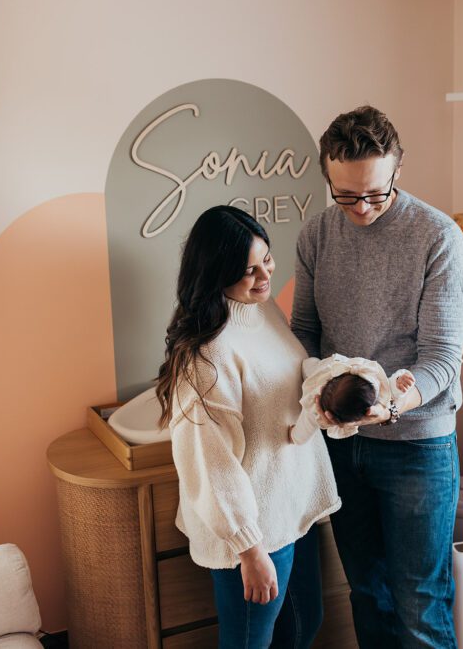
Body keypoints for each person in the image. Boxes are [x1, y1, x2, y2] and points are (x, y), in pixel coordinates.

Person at [291, 106, 463, 648]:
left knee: (420, 601)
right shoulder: (317, 236)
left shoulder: (438, 238)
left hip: (416, 446)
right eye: (346, 196)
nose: (363, 208)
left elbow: (442, 357)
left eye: (376, 192)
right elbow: (304, 331)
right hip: (344, 445)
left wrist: (393, 403)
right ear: (328, 177)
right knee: (367, 594)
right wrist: (315, 390)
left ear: (398, 169)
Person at [156, 205, 341, 649]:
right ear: (216, 273)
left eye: (267, 260)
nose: (264, 277)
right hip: (254, 528)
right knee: (248, 643)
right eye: (247, 270)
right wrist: (249, 549)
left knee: (303, 625)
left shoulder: (264, 311)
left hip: (290, 507)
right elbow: (210, 463)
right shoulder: (207, 357)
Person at [288, 354, 416, 443]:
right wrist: (294, 436)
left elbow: (389, 390)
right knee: (309, 365)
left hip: (327, 368)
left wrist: (399, 384)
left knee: (309, 364)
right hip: (325, 368)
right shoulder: (316, 404)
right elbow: (388, 388)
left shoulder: (370, 379)